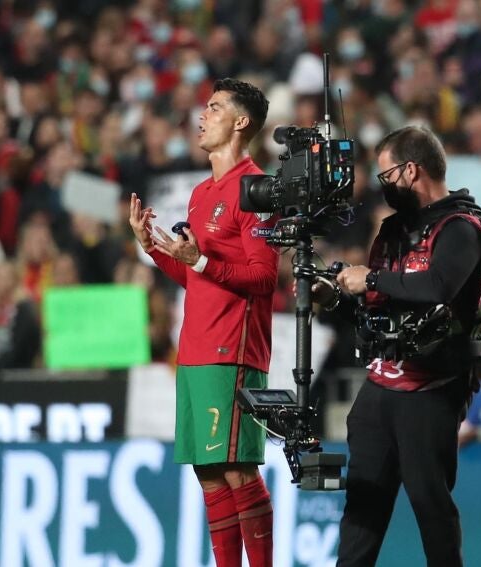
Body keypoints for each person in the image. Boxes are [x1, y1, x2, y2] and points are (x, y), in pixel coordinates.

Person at [325, 126, 481, 567]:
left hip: (431, 389)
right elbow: (375, 308)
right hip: (379, 386)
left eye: (387, 175)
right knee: (361, 509)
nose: (383, 186)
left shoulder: (461, 228)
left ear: (411, 170)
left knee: (430, 505)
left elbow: (439, 286)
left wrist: (370, 277)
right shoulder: (393, 229)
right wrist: (335, 297)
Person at [129, 78, 277, 567]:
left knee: (238, 471)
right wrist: (154, 248)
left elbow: (263, 278)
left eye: (214, 108)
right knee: (209, 473)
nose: (202, 115)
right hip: (193, 349)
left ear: (240, 122)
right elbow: (196, 278)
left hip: (231, 350)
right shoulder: (199, 192)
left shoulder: (256, 190)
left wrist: (202, 262)